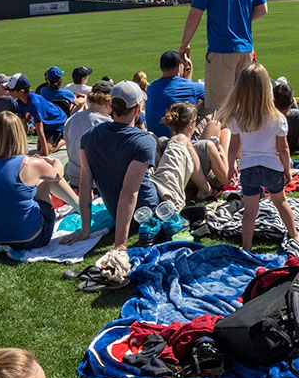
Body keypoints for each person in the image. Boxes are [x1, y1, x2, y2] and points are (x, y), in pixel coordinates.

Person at [179, 0, 267, 121]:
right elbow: (262, 8)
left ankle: (221, 149)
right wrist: (241, 18)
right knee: (243, 108)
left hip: (221, 51)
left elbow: (195, 14)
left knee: (218, 112)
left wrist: (184, 44)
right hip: (246, 51)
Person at [0, 111, 88, 250]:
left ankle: (78, 205)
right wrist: (53, 161)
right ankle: (79, 206)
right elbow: (58, 175)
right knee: (46, 182)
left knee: (29, 185)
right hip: (32, 238)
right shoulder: (29, 164)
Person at [74, 82, 161, 252]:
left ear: (111, 106)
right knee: (178, 146)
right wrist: (120, 244)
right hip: (147, 213)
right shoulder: (143, 141)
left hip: (118, 212)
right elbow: (128, 193)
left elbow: (85, 183)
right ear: (137, 109)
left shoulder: (90, 136)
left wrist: (86, 230)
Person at [223, 63, 299, 250]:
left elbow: (233, 146)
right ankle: (294, 234)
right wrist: (287, 169)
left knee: (249, 211)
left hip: (248, 168)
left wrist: (230, 165)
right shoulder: (277, 118)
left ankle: (247, 245)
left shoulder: (238, 117)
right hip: (272, 167)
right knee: (280, 202)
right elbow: (284, 149)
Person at [150, 102, 216, 209]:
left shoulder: (164, 144)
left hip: (154, 186)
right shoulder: (186, 141)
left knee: (152, 137)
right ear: (191, 124)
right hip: (167, 196)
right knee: (180, 138)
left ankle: (203, 189)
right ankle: (205, 190)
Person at [63, 83, 113, 189]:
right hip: (96, 183)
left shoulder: (72, 119)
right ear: (109, 101)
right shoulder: (108, 123)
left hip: (74, 177)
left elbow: (69, 150)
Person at [145, 49, 205, 138]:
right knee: (209, 106)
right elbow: (214, 97)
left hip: (156, 139)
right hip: (182, 138)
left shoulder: (151, 87)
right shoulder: (193, 87)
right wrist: (188, 69)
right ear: (179, 67)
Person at [9, 74, 68, 156]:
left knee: (47, 150)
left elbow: (39, 128)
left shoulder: (35, 102)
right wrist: (21, 146)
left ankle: (65, 139)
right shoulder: (19, 102)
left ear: (21, 91)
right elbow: (24, 125)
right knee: (39, 148)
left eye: (11, 90)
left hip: (56, 123)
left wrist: (45, 153)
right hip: (46, 124)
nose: (9, 92)